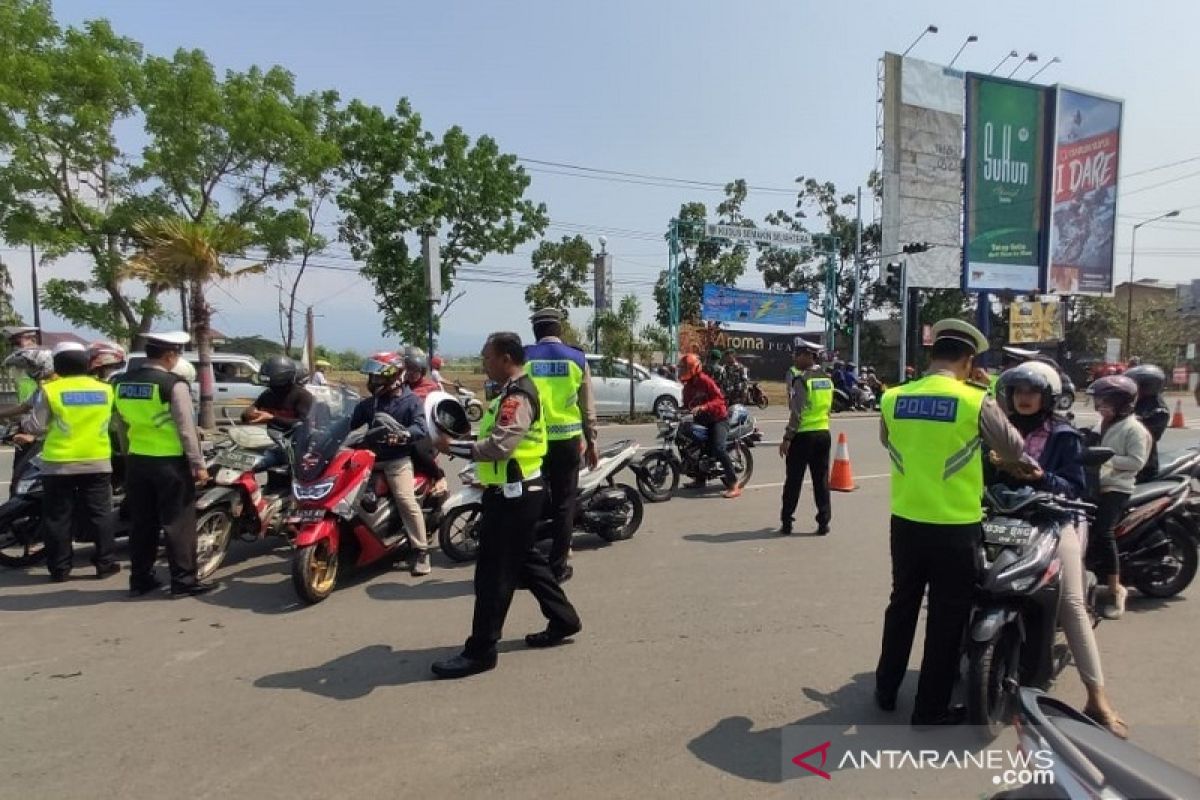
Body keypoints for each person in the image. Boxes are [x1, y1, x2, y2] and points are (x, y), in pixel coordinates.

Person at [875, 319, 1025, 727]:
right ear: (969, 360)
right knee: (946, 615)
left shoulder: (894, 397)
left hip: (906, 521)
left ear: (931, 355)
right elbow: (1013, 449)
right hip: (955, 526)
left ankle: (885, 691)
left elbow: (888, 442)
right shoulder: (974, 400)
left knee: (902, 604)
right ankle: (930, 709)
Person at [431, 332, 581, 679]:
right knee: (527, 561)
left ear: (505, 358)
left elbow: (500, 446)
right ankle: (564, 619)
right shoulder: (509, 394)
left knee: (492, 575)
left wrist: (452, 446)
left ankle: (481, 650)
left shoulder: (518, 396)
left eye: (486, 358)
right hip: (516, 491)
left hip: (515, 495)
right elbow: (492, 438)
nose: (483, 364)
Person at [991, 362, 1127, 737]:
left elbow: (1075, 487)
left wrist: (1040, 476)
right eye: (1018, 392)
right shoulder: (1001, 430)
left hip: (1056, 519)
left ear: (1047, 397)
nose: (1024, 398)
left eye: (1032, 392)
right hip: (1007, 517)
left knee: (1070, 603)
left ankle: (1098, 698)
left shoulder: (1064, 435)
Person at [112, 331, 212, 597]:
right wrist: (198, 463)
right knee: (178, 523)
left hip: (137, 461)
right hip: (169, 463)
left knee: (142, 523)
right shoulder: (172, 385)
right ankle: (183, 581)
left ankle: (140, 579)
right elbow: (186, 428)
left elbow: (120, 424)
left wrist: (127, 453)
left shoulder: (120, 383)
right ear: (169, 355)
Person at [17, 343, 119, 582]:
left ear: (58, 366)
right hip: (97, 460)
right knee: (100, 515)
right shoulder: (105, 389)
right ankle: (105, 564)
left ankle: (60, 569)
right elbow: (115, 421)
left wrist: (26, 427)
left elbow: (36, 426)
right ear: (87, 364)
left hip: (58, 464)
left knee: (57, 517)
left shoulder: (51, 390)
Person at [525, 308, 599, 583]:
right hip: (568, 442)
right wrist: (592, 442)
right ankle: (558, 567)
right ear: (560, 331)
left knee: (529, 502)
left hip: (533, 443)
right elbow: (587, 407)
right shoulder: (577, 358)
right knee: (565, 504)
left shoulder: (525, 357)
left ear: (536, 331)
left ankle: (528, 566)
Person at [350, 352, 433, 575]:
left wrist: (405, 434)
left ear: (394, 376)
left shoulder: (411, 401)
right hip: (367, 459)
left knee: (405, 500)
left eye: (377, 377)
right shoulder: (368, 404)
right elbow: (347, 425)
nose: (372, 382)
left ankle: (421, 550)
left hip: (396, 461)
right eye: (371, 377)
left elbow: (420, 427)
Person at [1086, 376, 1150, 620]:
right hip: (1093, 485)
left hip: (1117, 487)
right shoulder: (1101, 423)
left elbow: (1136, 462)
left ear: (1124, 403)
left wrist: (1106, 459)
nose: (1101, 406)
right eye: (1100, 401)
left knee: (1103, 532)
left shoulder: (1134, 429)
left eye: (1107, 401)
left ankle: (1115, 591)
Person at [778, 340, 833, 536]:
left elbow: (797, 412)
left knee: (793, 481)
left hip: (803, 436)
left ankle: (787, 522)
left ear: (809, 356)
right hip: (823, 434)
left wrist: (787, 437)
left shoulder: (802, 380)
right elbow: (828, 407)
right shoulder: (827, 379)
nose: (795, 358)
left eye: (799, 354)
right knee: (821, 481)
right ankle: (823, 522)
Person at [678, 353, 740, 498]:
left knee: (718, 448)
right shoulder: (687, 387)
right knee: (691, 445)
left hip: (718, 418)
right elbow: (687, 405)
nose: (682, 371)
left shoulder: (706, 381)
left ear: (694, 368)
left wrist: (704, 407)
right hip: (702, 419)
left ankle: (734, 484)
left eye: (685, 368)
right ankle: (700, 479)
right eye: (682, 368)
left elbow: (720, 399)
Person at [1125, 365, 1170, 483]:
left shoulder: (1158, 410)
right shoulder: (1132, 401)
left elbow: (1141, 431)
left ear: (1148, 386)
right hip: (1125, 460)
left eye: (1135, 384)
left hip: (1143, 467)